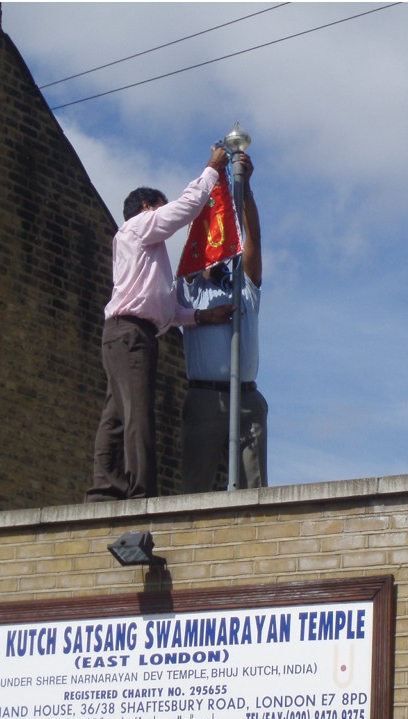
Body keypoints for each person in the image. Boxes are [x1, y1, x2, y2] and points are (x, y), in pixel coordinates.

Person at [86, 147, 235, 502]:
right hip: (130, 334)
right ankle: (141, 494)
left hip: (131, 332)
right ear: (148, 208)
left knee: (118, 415)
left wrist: (200, 316)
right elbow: (185, 208)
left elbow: (164, 311)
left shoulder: (146, 256)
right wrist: (211, 170)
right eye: (159, 207)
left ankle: (105, 488)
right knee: (137, 412)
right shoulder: (138, 227)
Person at [176, 152, 267, 492]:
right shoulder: (188, 289)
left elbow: (253, 242)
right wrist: (212, 173)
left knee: (253, 490)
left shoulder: (244, 289)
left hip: (246, 398)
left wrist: (246, 192)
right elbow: (194, 228)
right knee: (196, 488)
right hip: (205, 397)